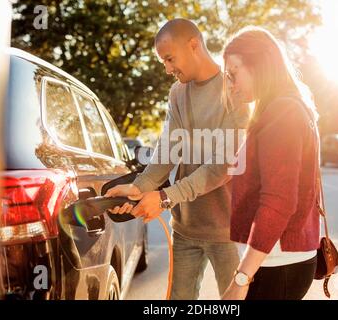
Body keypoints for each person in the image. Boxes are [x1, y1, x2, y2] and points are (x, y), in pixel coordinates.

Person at [105, 18, 249, 300]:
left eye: (170, 59)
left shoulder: (235, 91)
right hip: (185, 229)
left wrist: (166, 197)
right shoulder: (178, 93)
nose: (168, 69)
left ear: (193, 45)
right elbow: (168, 151)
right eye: (163, 62)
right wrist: (139, 186)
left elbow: (223, 166)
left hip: (229, 232)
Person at [221, 26, 320, 300]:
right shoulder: (281, 108)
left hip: (279, 264)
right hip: (279, 259)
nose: (231, 84)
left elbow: (279, 200)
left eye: (234, 73)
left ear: (260, 66)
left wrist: (242, 277)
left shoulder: (283, 112)